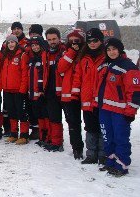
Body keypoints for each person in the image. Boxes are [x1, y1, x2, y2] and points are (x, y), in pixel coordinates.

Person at [95, 38, 140, 176]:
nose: (111, 52)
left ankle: (121, 164)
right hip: (105, 109)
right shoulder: (105, 65)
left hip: (120, 111)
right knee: (107, 137)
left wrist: (130, 111)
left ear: (120, 50)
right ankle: (111, 161)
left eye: (114, 49)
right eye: (108, 49)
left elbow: (135, 90)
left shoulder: (128, 66)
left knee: (120, 138)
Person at [74, 28, 107, 165]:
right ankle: (91, 155)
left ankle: (103, 155)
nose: (92, 43)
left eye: (95, 40)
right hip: (87, 100)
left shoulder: (107, 57)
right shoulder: (83, 58)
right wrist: (75, 94)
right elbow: (78, 77)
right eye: (89, 41)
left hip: (102, 101)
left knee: (102, 129)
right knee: (90, 128)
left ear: (101, 41)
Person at [58, 29, 85, 159]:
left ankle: (96, 150)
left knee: (91, 124)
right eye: (71, 40)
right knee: (73, 123)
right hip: (68, 94)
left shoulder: (86, 53)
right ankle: (76, 148)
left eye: (77, 40)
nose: (74, 43)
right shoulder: (66, 53)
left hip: (84, 94)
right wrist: (72, 52)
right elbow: (61, 68)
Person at [0, 35, 29, 144]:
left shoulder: (22, 55)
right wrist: (0, 87)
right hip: (7, 90)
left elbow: (25, 74)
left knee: (21, 113)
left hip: (18, 90)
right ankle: (14, 134)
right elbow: (2, 73)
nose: (11, 44)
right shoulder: (5, 56)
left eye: (13, 42)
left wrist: (22, 89)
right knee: (11, 113)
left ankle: (24, 136)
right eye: (9, 42)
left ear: (17, 43)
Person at [43, 27, 67, 152]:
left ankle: (76, 147)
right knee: (54, 117)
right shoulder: (46, 52)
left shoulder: (65, 51)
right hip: (50, 91)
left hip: (64, 91)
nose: (52, 41)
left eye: (54, 39)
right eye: (49, 39)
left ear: (59, 38)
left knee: (72, 120)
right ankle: (55, 141)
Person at [25, 36, 49, 146]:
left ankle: (48, 137)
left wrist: (42, 90)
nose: (34, 47)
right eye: (33, 45)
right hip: (32, 93)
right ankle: (42, 136)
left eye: (36, 45)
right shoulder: (32, 59)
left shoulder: (45, 57)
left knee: (45, 115)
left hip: (41, 93)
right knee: (38, 115)